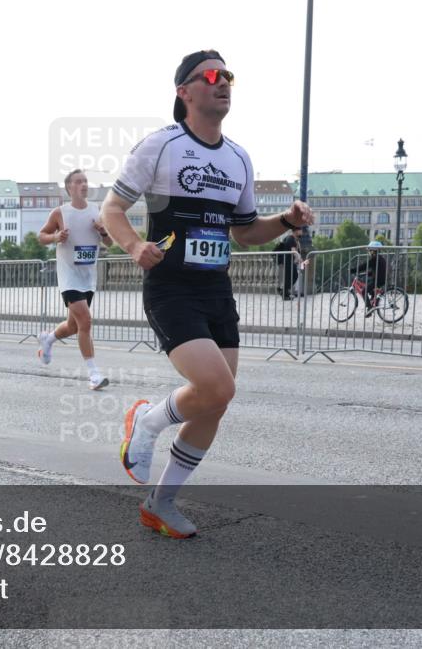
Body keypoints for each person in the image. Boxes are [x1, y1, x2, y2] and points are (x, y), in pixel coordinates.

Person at [101, 50, 314, 539]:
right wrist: (134, 246)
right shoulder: (161, 146)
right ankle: (149, 421)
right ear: (185, 91)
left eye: (229, 77)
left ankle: (161, 503)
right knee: (218, 387)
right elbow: (112, 209)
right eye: (213, 76)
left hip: (217, 289)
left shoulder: (239, 157)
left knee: (215, 402)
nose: (224, 84)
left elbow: (244, 233)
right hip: (171, 289)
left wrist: (286, 221)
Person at [36, 168, 112, 391]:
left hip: (88, 277)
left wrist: (103, 231)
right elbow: (41, 236)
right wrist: (56, 236)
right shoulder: (60, 212)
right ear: (69, 187)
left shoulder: (97, 210)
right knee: (86, 321)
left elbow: (109, 244)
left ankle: (48, 339)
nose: (84, 185)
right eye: (79, 182)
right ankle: (94, 374)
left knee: (73, 325)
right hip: (68, 275)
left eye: (86, 181)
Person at [352, 240, 387, 316]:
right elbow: (377, 270)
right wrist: (368, 273)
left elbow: (365, 265)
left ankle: (369, 308)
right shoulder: (380, 258)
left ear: (373, 251)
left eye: (370, 250)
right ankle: (372, 300)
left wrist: (354, 270)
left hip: (378, 280)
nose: (369, 252)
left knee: (364, 291)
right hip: (380, 279)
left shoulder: (375, 258)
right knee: (369, 287)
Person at [272, 227, 309, 300]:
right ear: (296, 231)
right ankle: (284, 292)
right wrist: (301, 260)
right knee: (293, 276)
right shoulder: (291, 239)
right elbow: (294, 252)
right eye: (300, 231)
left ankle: (284, 292)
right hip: (288, 261)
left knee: (290, 277)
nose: (301, 232)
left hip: (288, 261)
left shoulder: (291, 238)